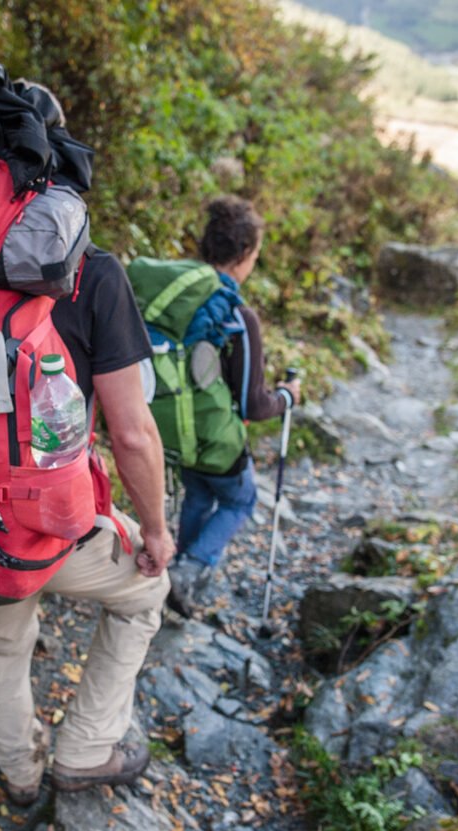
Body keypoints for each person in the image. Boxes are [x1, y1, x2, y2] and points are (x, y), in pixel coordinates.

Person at [0, 84, 175, 806]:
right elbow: (134, 433)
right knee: (147, 589)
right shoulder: (90, 271)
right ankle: (85, 747)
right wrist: (154, 530)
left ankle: (18, 775)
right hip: (51, 524)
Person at [167, 196, 301, 618]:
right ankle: (187, 570)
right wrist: (289, 397)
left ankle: (174, 577)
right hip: (215, 438)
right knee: (241, 501)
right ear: (244, 255)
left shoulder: (178, 300)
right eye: (256, 254)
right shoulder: (237, 314)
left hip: (175, 427)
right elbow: (254, 403)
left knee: (197, 495)